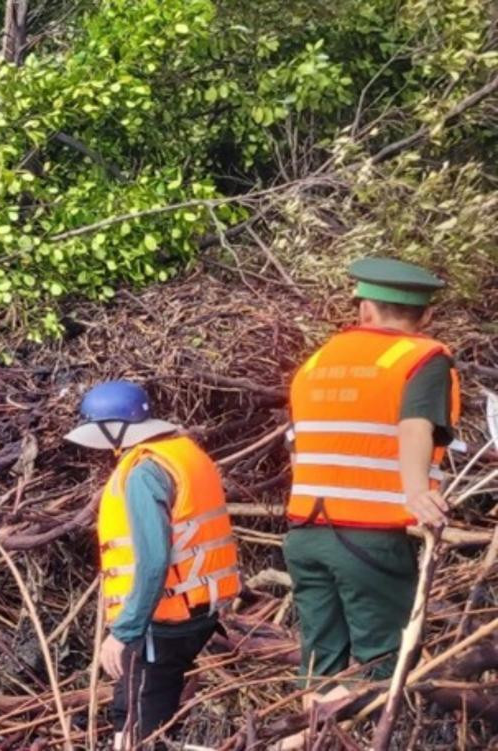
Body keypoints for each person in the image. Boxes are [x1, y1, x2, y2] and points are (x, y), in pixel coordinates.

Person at [282, 258, 460, 699]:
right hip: (369, 538)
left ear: (364, 310)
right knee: (384, 666)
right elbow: (415, 424)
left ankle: (304, 732)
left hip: (305, 532)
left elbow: (297, 441)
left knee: (320, 662)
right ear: (426, 316)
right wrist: (418, 493)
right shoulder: (423, 357)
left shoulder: (318, 360)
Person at [64, 380, 240, 748]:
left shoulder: (144, 472)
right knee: (140, 709)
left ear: (115, 428)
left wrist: (124, 632)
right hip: (197, 611)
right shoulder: (184, 453)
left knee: (139, 723)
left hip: (163, 620)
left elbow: (154, 560)